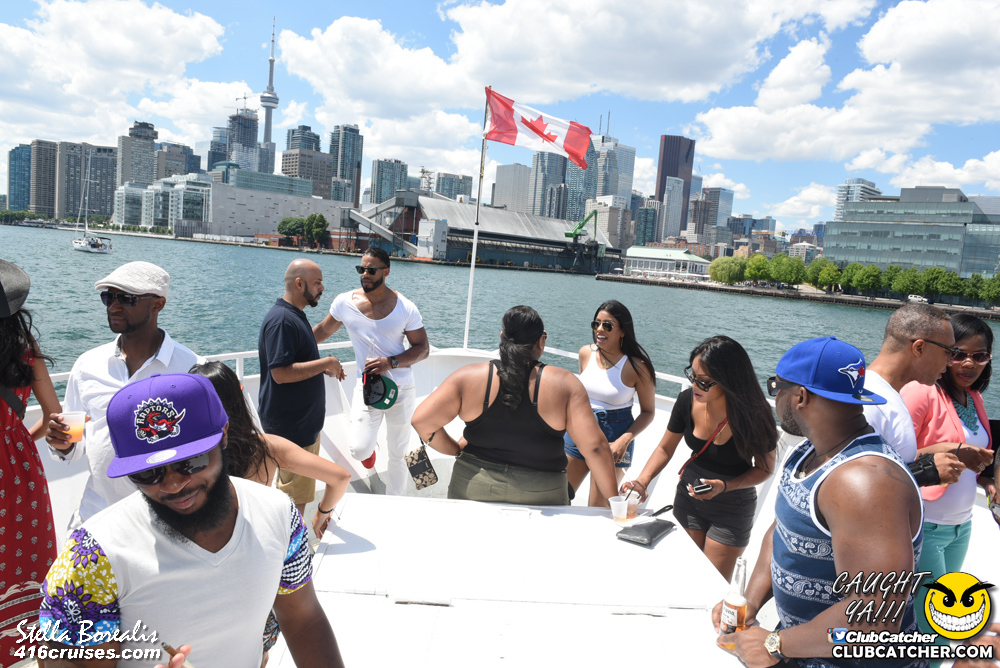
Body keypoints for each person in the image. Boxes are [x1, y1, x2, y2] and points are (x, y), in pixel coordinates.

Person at [37, 373, 345, 668]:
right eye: (148, 473)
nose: (173, 485)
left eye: (190, 461)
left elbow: (304, 620)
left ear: (224, 435)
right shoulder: (91, 556)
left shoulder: (279, 514)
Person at [717, 336, 925, 668]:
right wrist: (749, 603)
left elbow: (876, 618)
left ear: (800, 396)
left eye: (776, 387)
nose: (774, 397)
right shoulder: (809, 452)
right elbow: (783, 532)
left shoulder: (865, 482)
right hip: (802, 650)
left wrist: (775, 643)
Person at [44, 261, 201, 529]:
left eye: (127, 299)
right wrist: (63, 443)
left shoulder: (193, 370)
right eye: (109, 297)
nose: (113, 307)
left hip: (166, 523)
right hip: (96, 515)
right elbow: (75, 445)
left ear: (158, 304)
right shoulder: (87, 365)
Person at [411, 305, 619, 505]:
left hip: (473, 486)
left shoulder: (468, 377)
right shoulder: (565, 384)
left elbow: (422, 421)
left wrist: (455, 449)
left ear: (502, 338)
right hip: (543, 494)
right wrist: (615, 504)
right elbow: (595, 448)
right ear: (541, 341)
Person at [623, 336, 776, 578]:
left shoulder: (754, 415)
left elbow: (765, 468)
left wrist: (725, 486)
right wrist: (642, 481)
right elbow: (665, 449)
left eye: (703, 382)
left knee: (712, 582)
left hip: (732, 506)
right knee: (683, 575)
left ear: (728, 380)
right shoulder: (686, 401)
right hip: (689, 496)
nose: (695, 385)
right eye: (692, 376)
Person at [900, 313, 996, 641]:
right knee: (938, 622)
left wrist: (987, 481)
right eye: (958, 354)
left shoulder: (974, 397)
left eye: (979, 356)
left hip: (961, 527)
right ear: (944, 352)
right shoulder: (921, 391)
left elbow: (972, 459)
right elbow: (891, 456)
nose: (969, 363)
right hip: (925, 526)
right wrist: (951, 449)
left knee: (940, 620)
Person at [314, 247, 429, 496]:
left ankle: (395, 504)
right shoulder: (344, 303)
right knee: (359, 449)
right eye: (361, 269)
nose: (365, 274)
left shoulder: (406, 307)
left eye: (371, 270)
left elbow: (423, 349)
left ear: (386, 272)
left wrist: (391, 362)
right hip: (367, 386)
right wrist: (291, 347)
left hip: (401, 388)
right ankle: (370, 452)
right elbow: (322, 331)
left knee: (398, 452)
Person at [191, 360, 351, 538]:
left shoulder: (185, 460)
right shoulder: (266, 447)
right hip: (261, 540)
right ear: (239, 395)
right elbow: (341, 478)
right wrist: (321, 514)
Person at [0, 260, 62, 666]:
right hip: (20, 471)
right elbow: (56, 415)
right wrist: (19, 437)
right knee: (22, 563)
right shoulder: (26, 350)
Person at [258, 258, 345, 518]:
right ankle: (291, 544)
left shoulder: (294, 316)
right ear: (299, 283)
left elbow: (296, 359)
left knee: (294, 493)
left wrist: (320, 368)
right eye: (317, 282)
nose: (322, 288)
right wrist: (326, 362)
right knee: (294, 501)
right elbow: (281, 373)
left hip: (301, 425)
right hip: (293, 428)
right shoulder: (283, 320)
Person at [564, 300, 656, 506]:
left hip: (615, 438)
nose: (599, 329)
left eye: (607, 325)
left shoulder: (637, 367)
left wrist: (625, 440)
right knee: (559, 497)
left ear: (623, 331)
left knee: (598, 509)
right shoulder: (585, 353)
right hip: (579, 429)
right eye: (596, 323)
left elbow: (648, 412)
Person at [865, 304, 966, 488]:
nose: (951, 362)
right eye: (948, 352)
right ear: (919, 348)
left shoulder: (883, 394)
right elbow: (849, 482)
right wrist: (924, 473)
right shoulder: (871, 404)